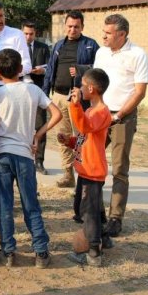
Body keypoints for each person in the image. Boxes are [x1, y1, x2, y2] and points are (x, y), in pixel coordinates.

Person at [0, 49, 62, 268]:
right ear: (21, 69)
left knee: (4, 204)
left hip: (2, 154)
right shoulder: (33, 89)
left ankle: (8, 251)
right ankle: (41, 251)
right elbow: (57, 114)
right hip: (25, 155)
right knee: (31, 204)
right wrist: (37, 135)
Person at [93, 14, 148, 237]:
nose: (103, 36)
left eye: (108, 33)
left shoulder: (138, 54)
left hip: (121, 118)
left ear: (122, 34)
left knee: (119, 169)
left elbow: (140, 92)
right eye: (103, 31)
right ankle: (96, 212)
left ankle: (115, 218)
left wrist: (118, 115)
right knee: (92, 164)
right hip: (100, 116)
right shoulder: (101, 52)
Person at [58, 68, 113, 267]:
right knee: (91, 209)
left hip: (92, 172)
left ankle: (93, 253)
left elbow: (85, 127)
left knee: (87, 212)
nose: (79, 88)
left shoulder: (101, 112)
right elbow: (84, 137)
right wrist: (70, 142)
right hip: (85, 170)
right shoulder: (90, 111)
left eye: (82, 85)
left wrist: (75, 105)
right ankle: (104, 238)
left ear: (91, 88)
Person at [43, 10, 99, 188]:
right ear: (65, 26)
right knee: (63, 137)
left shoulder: (91, 45)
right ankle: (68, 174)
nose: (72, 29)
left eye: (76, 26)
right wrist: (45, 95)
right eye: (69, 26)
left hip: (79, 98)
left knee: (82, 137)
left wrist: (81, 69)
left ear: (82, 27)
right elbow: (50, 70)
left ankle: (85, 172)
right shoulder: (58, 45)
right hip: (59, 96)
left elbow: (99, 69)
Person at [23, 21, 51, 175]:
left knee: (40, 126)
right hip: (21, 92)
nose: (28, 37)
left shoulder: (43, 48)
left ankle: (39, 161)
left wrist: (43, 70)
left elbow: (50, 67)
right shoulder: (17, 47)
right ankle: (25, 159)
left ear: (35, 33)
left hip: (39, 91)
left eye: (31, 34)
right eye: (25, 33)